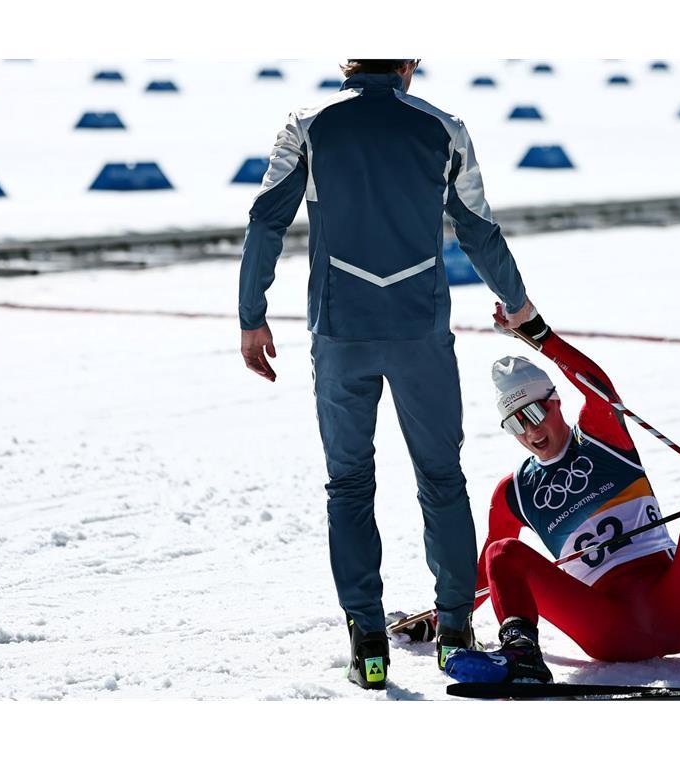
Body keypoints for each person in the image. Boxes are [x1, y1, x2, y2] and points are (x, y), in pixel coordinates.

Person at [237, 59, 539, 690]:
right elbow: (479, 230)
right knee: (441, 478)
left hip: (340, 333)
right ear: (409, 63)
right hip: (419, 334)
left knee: (349, 485)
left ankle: (368, 643)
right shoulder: (443, 129)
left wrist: (251, 315)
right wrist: (518, 303)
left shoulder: (308, 126)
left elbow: (266, 220)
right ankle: (456, 631)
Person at [442, 308, 680, 687]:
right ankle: (521, 658)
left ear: (556, 402)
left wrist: (539, 336)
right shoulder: (515, 491)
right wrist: (444, 619)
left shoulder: (601, 435)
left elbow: (596, 384)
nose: (529, 430)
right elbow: (487, 576)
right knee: (502, 551)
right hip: (608, 626)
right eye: (515, 422)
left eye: (534, 411)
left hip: (675, 609)